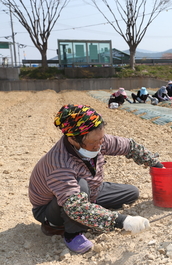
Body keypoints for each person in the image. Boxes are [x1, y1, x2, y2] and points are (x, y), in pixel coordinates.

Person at [29, 104, 164, 254]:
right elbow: (76, 207)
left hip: (91, 191)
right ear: (73, 139)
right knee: (81, 187)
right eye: (93, 143)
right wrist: (122, 221)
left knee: (131, 193)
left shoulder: (98, 140)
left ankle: (93, 212)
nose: (100, 145)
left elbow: (130, 147)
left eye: (101, 139)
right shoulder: (59, 164)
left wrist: (158, 166)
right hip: (52, 208)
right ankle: (71, 234)